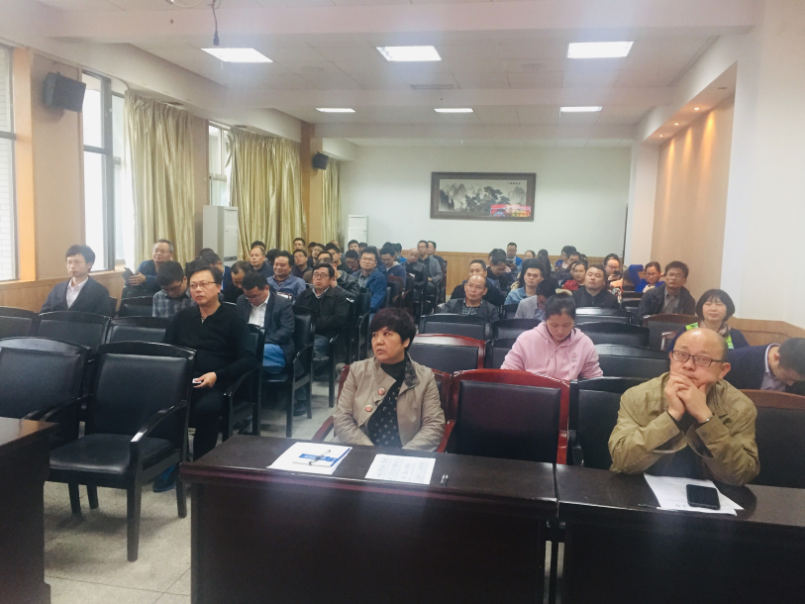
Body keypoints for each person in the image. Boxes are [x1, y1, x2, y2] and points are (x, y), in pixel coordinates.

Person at [608, 328, 759, 486]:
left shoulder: (740, 407)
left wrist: (706, 419)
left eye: (702, 359)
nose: (688, 365)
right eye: (681, 355)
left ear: (722, 370)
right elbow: (622, 462)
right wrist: (672, 416)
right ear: (671, 359)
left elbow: (740, 475)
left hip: (711, 494)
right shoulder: (639, 396)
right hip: (640, 488)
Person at [159, 261, 257, 488]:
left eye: (204, 284)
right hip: (183, 380)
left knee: (206, 408)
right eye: (193, 286)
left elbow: (249, 359)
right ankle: (174, 461)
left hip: (216, 381)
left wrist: (217, 375)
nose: (198, 290)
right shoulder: (182, 318)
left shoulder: (233, 319)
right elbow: (166, 350)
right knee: (163, 405)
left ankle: (201, 467)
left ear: (218, 286)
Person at [333, 308, 445, 451]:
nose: (378, 341)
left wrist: (402, 457)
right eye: (374, 335)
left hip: (404, 454)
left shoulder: (424, 377)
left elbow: (434, 425)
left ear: (405, 341)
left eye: (387, 334)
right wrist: (370, 452)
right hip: (359, 450)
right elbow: (342, 418)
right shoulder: (358, 371)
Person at [502, 295, 602, 380]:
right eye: (554, 325)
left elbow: (593, 382)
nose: (560, 331)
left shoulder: (584, 344)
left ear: (574, 321)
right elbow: (507, 374)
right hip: (531, 393)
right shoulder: (526, 340)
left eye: (566, 325)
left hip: (568, 394)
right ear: (545, 320)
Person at [237, 271, 294, 374]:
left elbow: (285, 331)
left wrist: (259, 342)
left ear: (266, 288)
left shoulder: (282, 303)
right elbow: (237, 327)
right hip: (246, 345)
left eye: (255, 296)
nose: (251, 300)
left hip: (272, 345)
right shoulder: (242, 301)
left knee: (252, 353)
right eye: (248, 296)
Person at [296, 264, 350, 360]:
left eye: (323, 275)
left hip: (323, 335)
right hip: (302, 333)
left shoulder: (338, 297)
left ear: (332, 279)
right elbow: (296, 313)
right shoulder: (304, 294)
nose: (318, 278)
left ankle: (316, 365)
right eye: (316, 274)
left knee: (312, 349)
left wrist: (313, 324)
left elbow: (339, 319)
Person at [41, 245, 111, 315]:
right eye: (69, 262)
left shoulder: (100, 292)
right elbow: (44, 314)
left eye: (77, 262)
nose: (72, 266)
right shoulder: (58, 289)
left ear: (89, 264)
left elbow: (101, 319)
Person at [671, 289, 749, 350]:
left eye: (719, 304)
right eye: (708, 304)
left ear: (728, 309)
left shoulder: (734, 335)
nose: (713, 309)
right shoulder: (687, 331)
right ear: (701, 308)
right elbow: (671, 355)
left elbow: (745, 359)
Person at [724, 338, 805, 394]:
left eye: (796, 381)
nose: (790, 384)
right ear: (776, 358)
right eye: (787, 378)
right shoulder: (737, 361)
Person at [357, 246, 387, 314]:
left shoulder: (380, 278)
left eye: (370, 259)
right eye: (364, 259)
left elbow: (376, 301)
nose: (366, 261)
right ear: (360, 261)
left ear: (375, 263)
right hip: (354, 310)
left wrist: (361, 311)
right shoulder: (353, 276)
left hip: (371, 311)